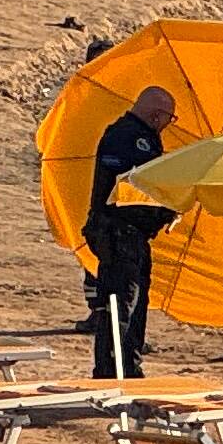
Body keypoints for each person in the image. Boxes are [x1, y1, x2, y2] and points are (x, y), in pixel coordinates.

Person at [82, 84, 176, 379]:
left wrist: (166, 211)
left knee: (133, 304)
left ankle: (128, 366)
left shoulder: (138, 136)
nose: (167, 126)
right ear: (156, 115)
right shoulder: (128, 137)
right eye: (169, 119)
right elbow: (133, 189)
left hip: (130, 234)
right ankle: (113, 370)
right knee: (121, 304)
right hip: (119, 232)